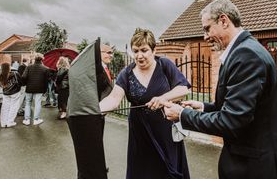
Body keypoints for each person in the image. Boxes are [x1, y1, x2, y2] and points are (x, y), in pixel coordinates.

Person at [163, 0, 277, 179]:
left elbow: (232, 120)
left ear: (224, 21)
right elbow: (239, 109)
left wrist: (182, 115)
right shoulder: (242, 50)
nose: (205, 36)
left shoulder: (246, 55)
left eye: (207, 28)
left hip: (257, 168)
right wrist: (203, 107)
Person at [99, 28, 191, 179]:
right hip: (140, 132)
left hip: (165, 130)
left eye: (144, 50)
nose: (139, 55)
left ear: (154, 50)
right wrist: (93, 109)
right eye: (135, 51)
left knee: (167, 170)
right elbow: (114, 99)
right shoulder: (126, 74)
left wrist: (163, 98)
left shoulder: (165, 65)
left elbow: (183, 88)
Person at [67, 39, 113, 179]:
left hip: (99, 113)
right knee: (89, 152)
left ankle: (98, 166)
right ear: (98, 53)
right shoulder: (93, 70)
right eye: (108, 52)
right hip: (89, 113)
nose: (111, 55)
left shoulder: (102, 68)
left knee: (96, 147)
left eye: (112, 53)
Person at [22, 53, 50, 126]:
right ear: (42, 59)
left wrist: (26, 83)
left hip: (29, 88)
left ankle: (27, 120)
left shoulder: (28, 67)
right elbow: (46, 81)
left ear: (34, 59)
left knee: (28, 103)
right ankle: (36, 120)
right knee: (37, 104)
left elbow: (24, 77)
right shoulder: (46, 68)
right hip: (40, 89)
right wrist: (45, 90)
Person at [0, 63, 23, 128]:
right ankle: (10, 122)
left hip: (5, 93)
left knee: (5, 108)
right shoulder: (15, 74)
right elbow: (21, 82)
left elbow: (0, 84)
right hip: (15, 92)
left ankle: (3, 123)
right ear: (9, 68)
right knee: (13, 107)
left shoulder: (0, 75)